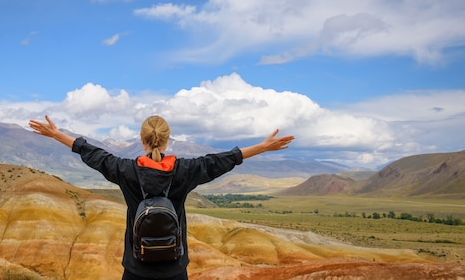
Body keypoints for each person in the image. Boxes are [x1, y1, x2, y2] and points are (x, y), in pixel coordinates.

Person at [29, 115, 294, 280]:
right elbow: (220, 161)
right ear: (167, 140)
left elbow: (95, 155)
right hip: (174, 267)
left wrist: (57, 135)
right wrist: (262, 147)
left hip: (136, 267)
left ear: (142, 140)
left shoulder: (125, 170)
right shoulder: (186, 170)